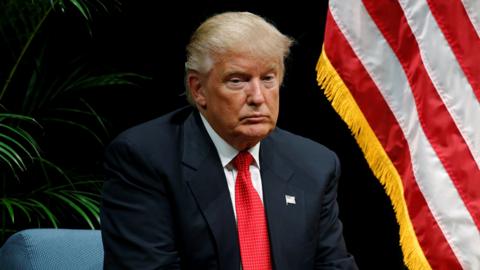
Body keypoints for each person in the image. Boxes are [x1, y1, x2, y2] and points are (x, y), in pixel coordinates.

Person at [100, 11, 358, 270]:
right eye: (237, 81)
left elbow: (334, 265)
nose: (258, 97)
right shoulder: (144, 159)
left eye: (268, 78)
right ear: (199, 89)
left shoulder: (314, 164)